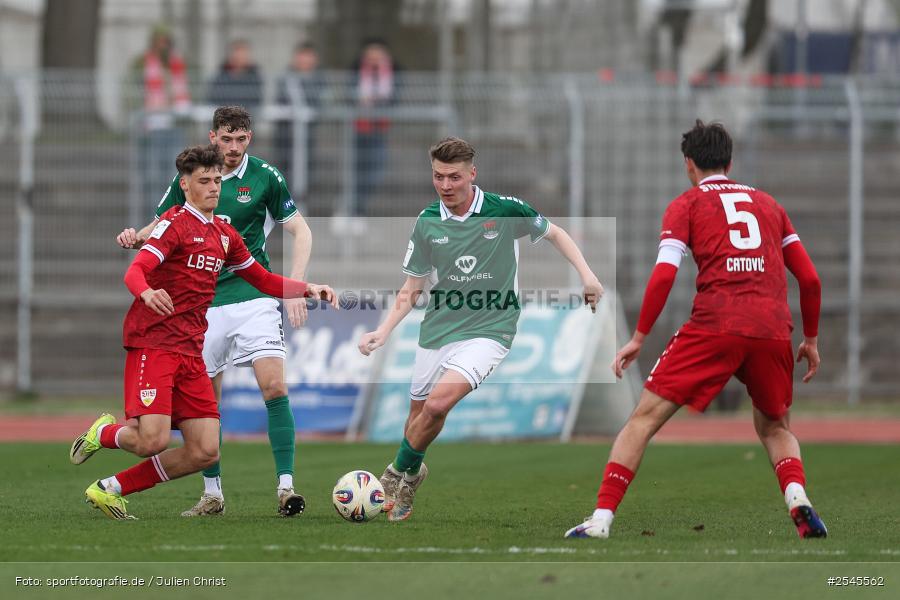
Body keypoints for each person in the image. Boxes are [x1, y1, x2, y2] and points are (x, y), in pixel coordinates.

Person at [564, 120, 826, 540]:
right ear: (730, 161)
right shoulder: (769, 205)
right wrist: (810, 340)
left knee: (642, 420)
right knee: (776, 427)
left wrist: (639, 338)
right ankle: (797, 495)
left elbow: (665, 273)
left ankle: (600, 520)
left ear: (689, 163)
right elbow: (810, 280)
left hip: (715, 324)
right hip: (773, 328)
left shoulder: (686, 204)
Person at [71, 145, 337, 520]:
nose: (214, 187)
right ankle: (105, 434)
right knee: (153, 440)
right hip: (155, 343)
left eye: (216, 180)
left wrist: (306, 288)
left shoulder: (225, 235)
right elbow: (135, 271)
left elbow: (260, 278)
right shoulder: (173, 225)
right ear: (185, 184)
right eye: (204, 181)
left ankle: (109, 488)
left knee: (204, 451)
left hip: (190, 350)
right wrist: (146, 291)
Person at [357, 137, 604, 521]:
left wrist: (588, 276)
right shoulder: (427, 223)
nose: (446, 185)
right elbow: (412, 287)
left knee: (438, 404)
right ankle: (414, 472)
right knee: (419, 418)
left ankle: (393, 477)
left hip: (493, 327)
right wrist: (384, 331)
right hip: (438, 328)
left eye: (454, 177)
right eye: (439, 176)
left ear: (472, 174)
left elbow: (555, 232)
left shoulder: (504, 210)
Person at [116, 106, 313, 517]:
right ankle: (213, 494)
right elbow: (164, 225)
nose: (235, 147)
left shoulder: (265, 177)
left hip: (254, 294)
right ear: (213, 138)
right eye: (227, 139)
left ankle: (286, 487)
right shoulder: (190, 180)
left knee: (274, 385)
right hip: (203, 305)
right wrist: (138, 236)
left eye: (242, 139)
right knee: (206, 405)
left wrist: (297, 285)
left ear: (250, 139)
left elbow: (300, 228)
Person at [132, 23, 191, 217]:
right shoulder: (144, 64)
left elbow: (183, 95)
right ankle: (153, 216)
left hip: (172, 127)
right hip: (151, 128)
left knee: (173, 174)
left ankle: (172, 214)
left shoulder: (176, 65)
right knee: (151, 175)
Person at [351, 39, 398, 217]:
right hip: (359, 126)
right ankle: (355, 209)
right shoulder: (356, 71)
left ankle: (358, 206)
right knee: (357, 170)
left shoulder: (394, 72)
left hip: (380, 127)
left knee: (376, 170)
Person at [275, 42, 325, 205]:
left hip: (307, 137)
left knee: (306, 172)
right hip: (286, 136)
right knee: (284, 172)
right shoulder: (285, 78)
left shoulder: (319, 80)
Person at [207, 40, 263, 111]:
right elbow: (214, 100)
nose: (239, 57)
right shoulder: (219, 77)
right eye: (237, 52)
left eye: (243, 53)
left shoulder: (255, 77)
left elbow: (256, 101)